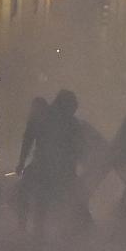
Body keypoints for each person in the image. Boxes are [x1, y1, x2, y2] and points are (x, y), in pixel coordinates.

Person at [32, 90, 84, 239]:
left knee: (45, 200)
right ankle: (62, 232)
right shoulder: (70, 122)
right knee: (62, 199)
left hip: (47, 166)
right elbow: (77, 146)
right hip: (59, 168)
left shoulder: (46, 117)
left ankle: (42, 231)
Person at [14, 97, 49, 230]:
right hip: (51, 165)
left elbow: (27, 143)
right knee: (41, 198)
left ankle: (23, 226)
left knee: (23, 193)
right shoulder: (56, 121)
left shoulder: (36, 121)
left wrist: (21, 164)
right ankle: (37, 227)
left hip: (42, 164)